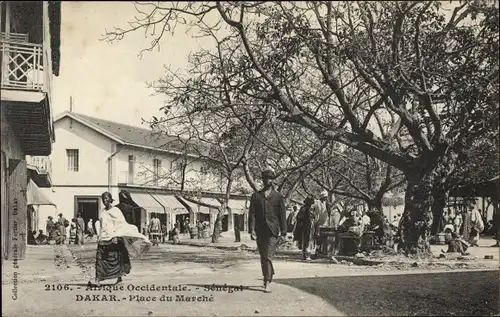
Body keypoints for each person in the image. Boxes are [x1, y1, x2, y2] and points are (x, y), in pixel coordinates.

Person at [94, 192, 151, 286]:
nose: (105, 201)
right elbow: (100, 225)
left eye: (107, 198)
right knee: (100, 258)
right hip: (103, 238)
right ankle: (97, 279)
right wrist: (98, 235)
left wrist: (116, 236)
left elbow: (120, 224)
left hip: (113, 238)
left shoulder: (116, 211)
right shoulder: (102, 212)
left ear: (110, 199)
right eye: (103, 199)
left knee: (116, 258)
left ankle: (119, 278)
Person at [248, 168, 287, 293]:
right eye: (265, 179)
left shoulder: (278, 197)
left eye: (270, 179)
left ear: (273, 180)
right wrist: (251, 230)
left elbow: (282, 215)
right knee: (263, 256)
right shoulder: (256, 196)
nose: (267, 181)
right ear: (262, 180)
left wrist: (284, 232)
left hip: (273, 231)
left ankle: (267, 281)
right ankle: (269, 273)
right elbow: (252, 213)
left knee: (268, 256)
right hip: (260, 231)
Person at [293, 196, 316, 261]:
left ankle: (306, 254)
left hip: (310, 226)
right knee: (306, 240)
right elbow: (299, 217)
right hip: (305, 227)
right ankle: (305, 255)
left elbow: (313, 217)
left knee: (309, 240)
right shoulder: (303, 208)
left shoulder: (311, 209)